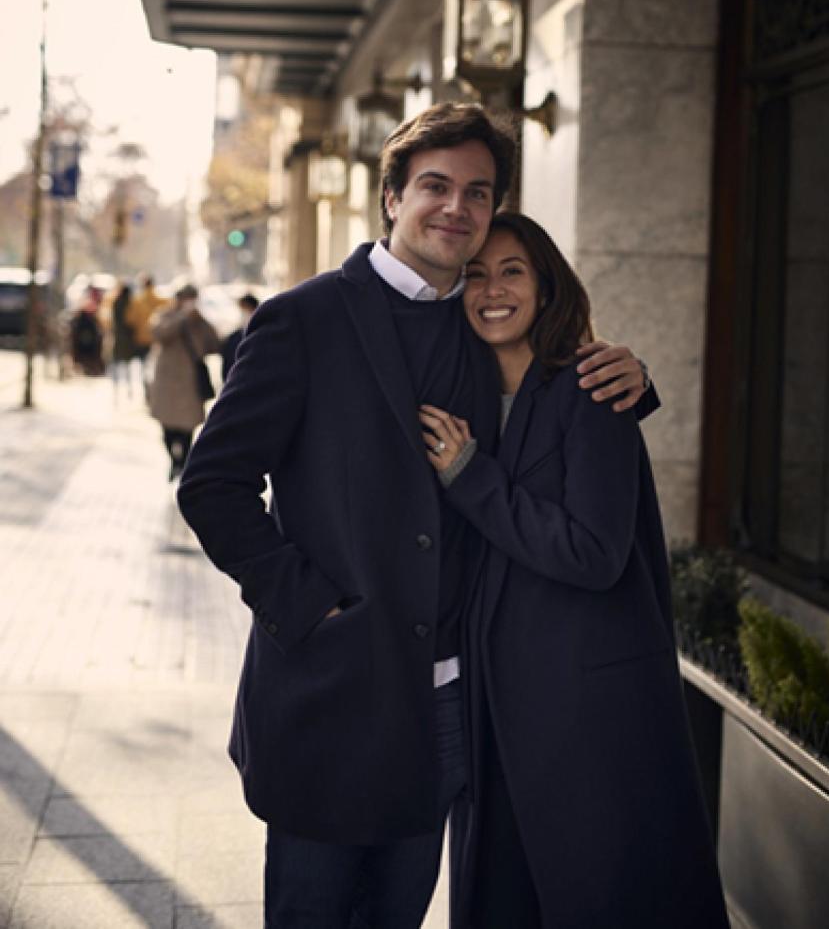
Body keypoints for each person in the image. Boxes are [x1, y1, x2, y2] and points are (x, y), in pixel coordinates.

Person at [176, 103, 649, 929]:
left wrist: (630, 375)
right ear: (391, 197)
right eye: (435, 186)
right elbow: (211, 484)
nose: (456, 208)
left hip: (448, 705)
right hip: (331, 689)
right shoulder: (303, 319)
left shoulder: (487, 323)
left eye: (477, 192)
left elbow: (556, 403)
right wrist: (309, 605)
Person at [419, 212, 730, 929]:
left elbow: (593, 552)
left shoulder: (592, 388)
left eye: (512, 271)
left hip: (580, 707)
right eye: (474, 274)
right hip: (493, 700)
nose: (491, 289)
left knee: (597, 893)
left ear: (547, 286)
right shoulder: (462, 396)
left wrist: (470, 478)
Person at [148, 283, 220, 481]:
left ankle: (183, 464)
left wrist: (200, 321)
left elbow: (214, 343)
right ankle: (174, 460)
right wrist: (181, 319)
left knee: (187, 429)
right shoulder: (166, 314)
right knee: (166, 428)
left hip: (190, 383)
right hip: (167, 381)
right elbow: (158, 334)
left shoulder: (199, 321)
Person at [103, 280, 136, 399]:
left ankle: (116, 392)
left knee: (116, 366)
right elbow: (132, 321)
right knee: (127, 367)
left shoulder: (116, 302)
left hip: (118, 337)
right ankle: (129, 391)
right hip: (128, 339)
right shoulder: (131, 304)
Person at [220, 292, 260, 382]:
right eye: (242, 309)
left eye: (247, 310)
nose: (244, 314)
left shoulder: (265, 335)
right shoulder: (233, 338)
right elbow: (227, 369)